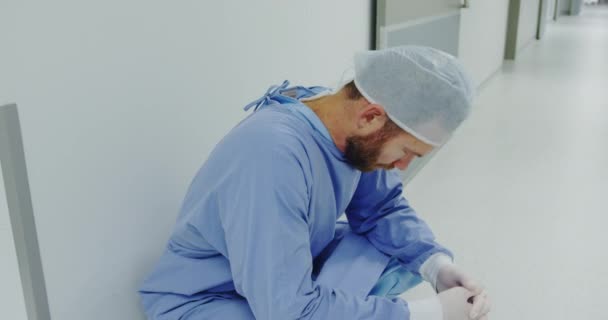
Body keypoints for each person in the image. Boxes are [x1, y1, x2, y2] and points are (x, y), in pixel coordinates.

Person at [139, 45, 491, 320]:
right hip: (207, 299)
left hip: (276, 279)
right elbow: (285, 311)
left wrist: (437, 266)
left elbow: (382, 209)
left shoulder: (342, 121)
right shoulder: (271, 156)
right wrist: (425, 314)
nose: (401, 165)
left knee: (395, 250)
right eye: (407, 151)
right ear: (371, 116)